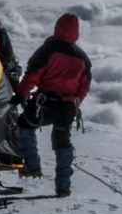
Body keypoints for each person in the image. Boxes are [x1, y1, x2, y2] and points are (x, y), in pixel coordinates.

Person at [14, 12, 90, 197]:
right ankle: (63, 186)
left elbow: (33, 74)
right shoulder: (82, 57)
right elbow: (84, 86)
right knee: (62, 142)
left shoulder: (48, 49)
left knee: (25, 124)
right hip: (67, 106)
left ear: (57, 28)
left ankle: (31, 165)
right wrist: (75, 103)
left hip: (45, 103)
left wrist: (21, 94)